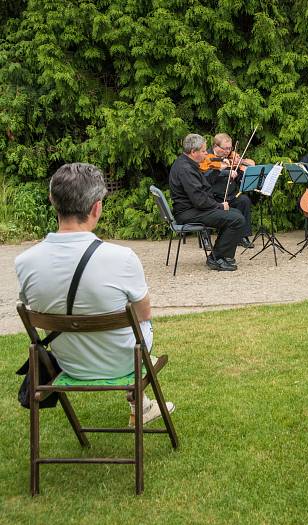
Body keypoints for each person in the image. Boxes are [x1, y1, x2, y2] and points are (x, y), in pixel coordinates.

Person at [15, 163, 174, 425]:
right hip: (123, 364)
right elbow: (143, 314)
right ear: (96, 207)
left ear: (52, 201)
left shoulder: (25, 261)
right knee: (144, 321)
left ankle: (142, 406)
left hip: (67, 364)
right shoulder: (121, 258)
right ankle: (141, 405)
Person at [169, 133, 246, 272]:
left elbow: (203, 191)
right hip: (188, 213)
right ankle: (216, 258)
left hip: (191, 209)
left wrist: (218, 172)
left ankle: (222, 255)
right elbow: (199, 200)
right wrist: (219, 206)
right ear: (193, 152)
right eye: (203, 151)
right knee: (236, 219)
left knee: (235, 213)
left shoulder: (187, 164)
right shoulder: (186, 169)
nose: (206, 154)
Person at [199, 133, 256, 249]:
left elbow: (240, 177)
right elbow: (205, 177)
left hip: (230, 194)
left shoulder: (231, 158)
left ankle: (242, 236)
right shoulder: (206, 158)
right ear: (216, 146)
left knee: (244, 200)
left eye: (230, 148)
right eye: (225, 149)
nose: (228, 151)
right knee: (206, 204)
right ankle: (205, 237)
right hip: (213, 195)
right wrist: (224, 171)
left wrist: (241, 170)